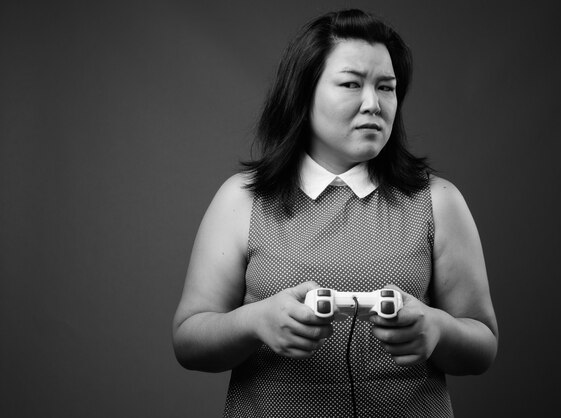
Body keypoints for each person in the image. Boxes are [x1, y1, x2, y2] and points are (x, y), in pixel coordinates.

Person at [172, 9, 498, 417]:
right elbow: (188, 341)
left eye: (386, 87)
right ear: (302, 95)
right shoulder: (242, 199)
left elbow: (483, 345)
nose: (373, 104)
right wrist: (254, 322)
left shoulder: (438, 199)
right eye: (350, 84)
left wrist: (438, 329)